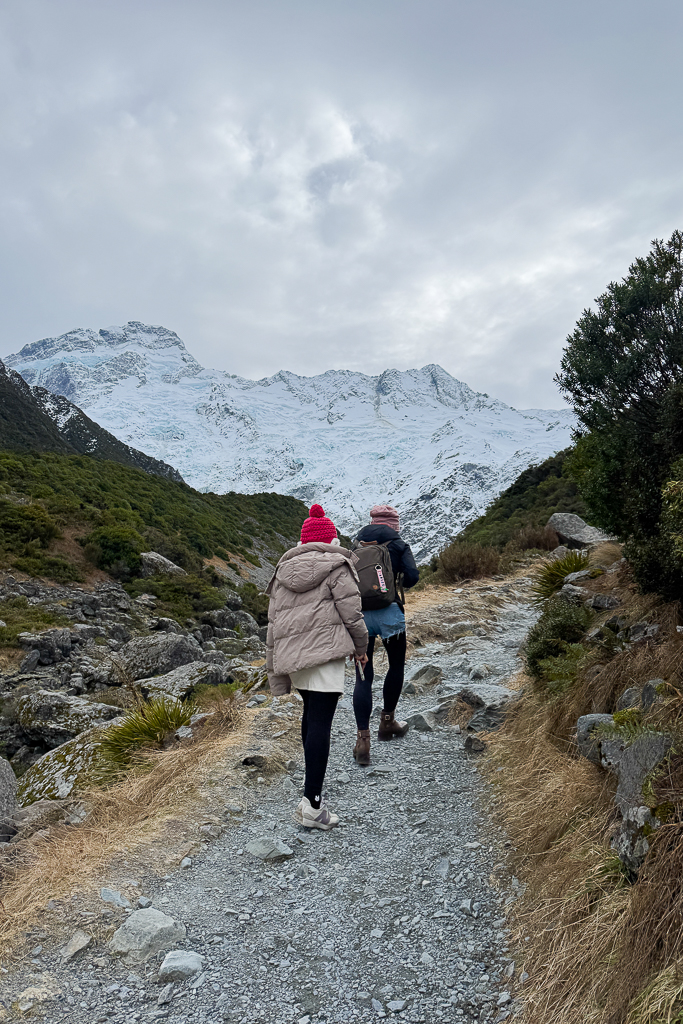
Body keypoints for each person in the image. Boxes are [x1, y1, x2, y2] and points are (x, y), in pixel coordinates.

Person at [266, 504, 368, 829]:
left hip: (295, 657)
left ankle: (309, 794)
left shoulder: (284, 571)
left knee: (310, 715)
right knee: (321, 722)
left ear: (302, 541)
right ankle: (312, 806)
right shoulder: (337, 566)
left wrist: (276, 667)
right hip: (325, 654)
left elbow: (273, 623)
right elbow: (352, 613)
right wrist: (362, 648)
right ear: (332, 538)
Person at [351, 504, 420, 766]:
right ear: (395, 525)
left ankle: (362, 741)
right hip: (390, 613)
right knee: (396, 665)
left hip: (360, 617)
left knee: (362, 676)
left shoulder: (356, 544)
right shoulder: (399, 544)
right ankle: (388, 722)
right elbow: (413, 577)